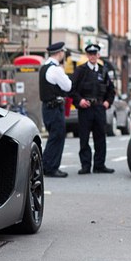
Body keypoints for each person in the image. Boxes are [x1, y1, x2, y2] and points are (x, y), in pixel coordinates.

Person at [70, 43, 116, 174]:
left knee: (100, 137)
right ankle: (85, 166)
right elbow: (72, 89)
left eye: (95, 54)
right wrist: (80, 101)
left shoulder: (103, 70)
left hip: (99, 108)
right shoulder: (80, 71)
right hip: (85, 109)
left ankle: (99, 165)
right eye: (90, 54)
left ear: (98, 55)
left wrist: (108, 102)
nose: (92, 56)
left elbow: (111, 90)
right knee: (84, 138)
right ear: (87, 55)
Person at [39, 41, 72, 178]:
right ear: (60, 53)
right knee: (57, 138)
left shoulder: (44, 68)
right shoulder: (56, 69)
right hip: (55, 108)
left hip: (46, 107)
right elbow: (68, 86)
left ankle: (46, 165)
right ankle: (51, 167)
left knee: (53, 137)